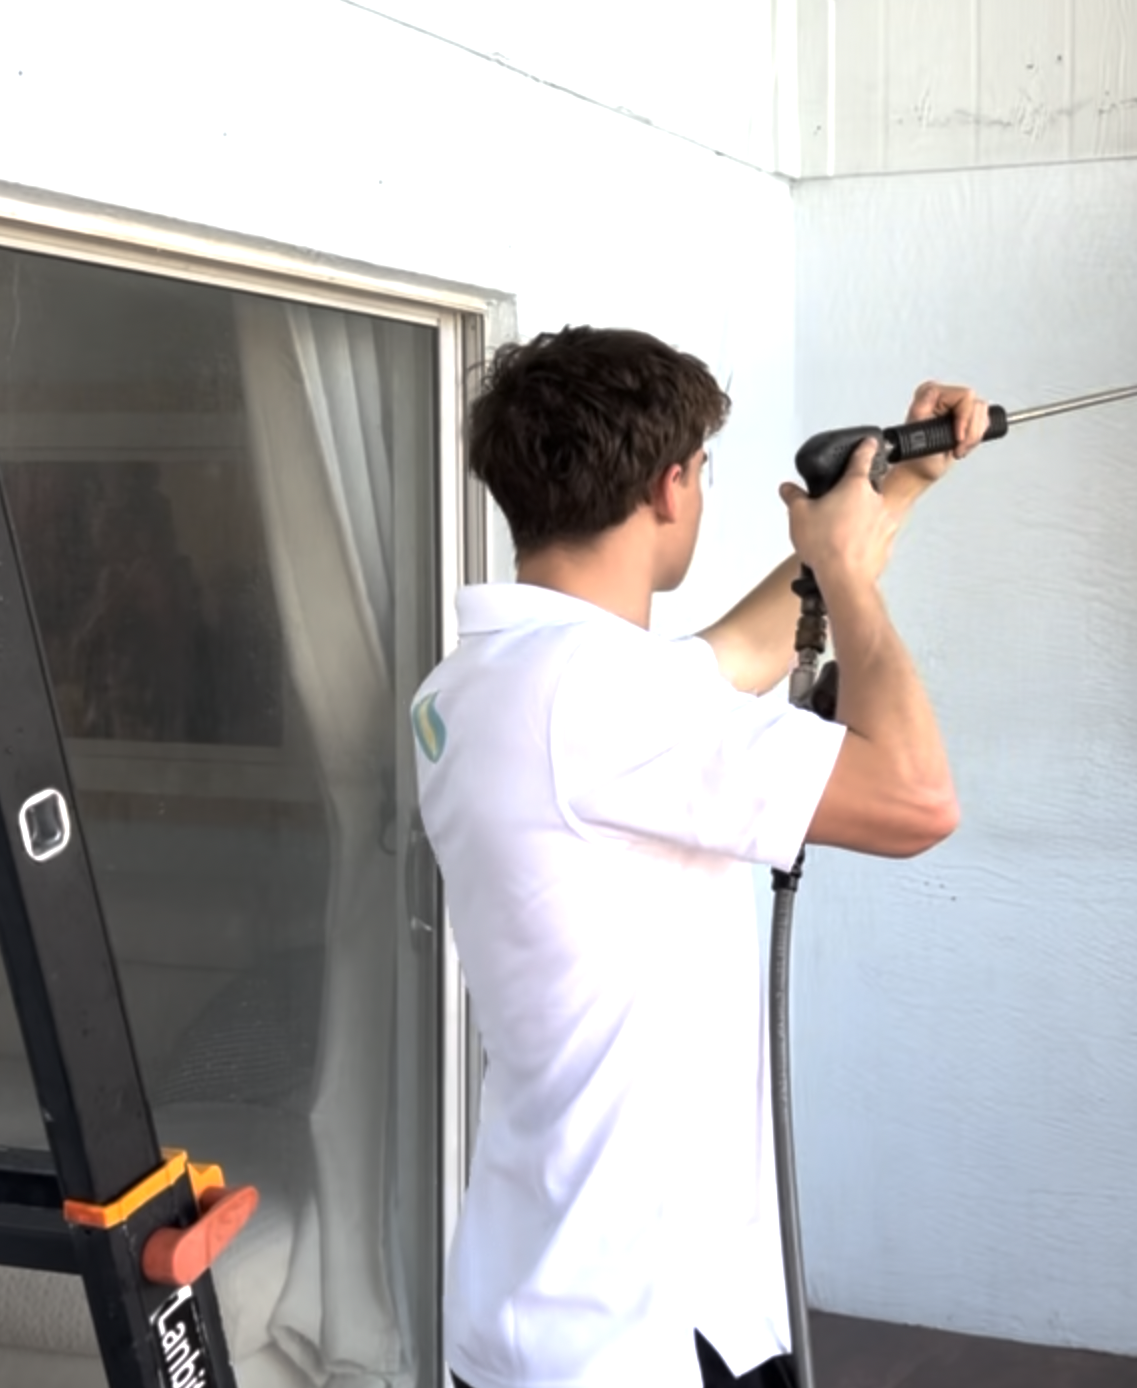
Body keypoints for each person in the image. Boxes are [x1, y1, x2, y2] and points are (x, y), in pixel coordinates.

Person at [410, 325, 988, 1388]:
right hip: (642, 1336)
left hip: (535, 1304)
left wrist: (895, 488)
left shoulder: (483, 684)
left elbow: (741, 650)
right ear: (670, 487)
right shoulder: (601, 703)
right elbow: (917, 799)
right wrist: (849, 575)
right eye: (705, 472)